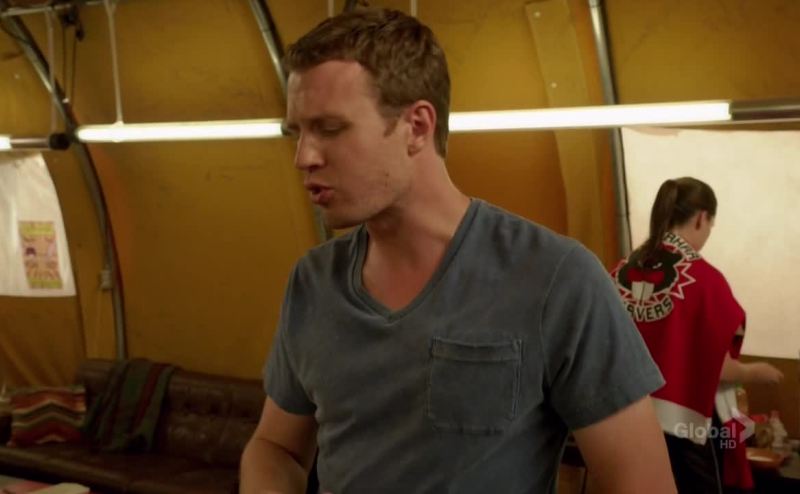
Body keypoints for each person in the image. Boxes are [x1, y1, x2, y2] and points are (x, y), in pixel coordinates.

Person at [241, 8, 676, 493]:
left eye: (330, 128)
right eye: (297, 133)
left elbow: (643, 485)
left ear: (416, 126)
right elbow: (275, 447)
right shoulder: (313, 281)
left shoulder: (555, 278)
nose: (303, 157)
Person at [611, 177, 783, 493]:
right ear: (702, 218)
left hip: (622, 422)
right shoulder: (706, 281)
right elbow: (717, 368)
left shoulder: (619, 272)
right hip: (685, 427)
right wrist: (754, 372)